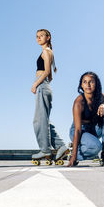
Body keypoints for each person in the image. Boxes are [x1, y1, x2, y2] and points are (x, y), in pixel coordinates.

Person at [67, 71, 104, 167]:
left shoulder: (100, 96)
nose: (88, 85)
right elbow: (77, 130)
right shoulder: (78, 102)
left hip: (94, 128)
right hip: (80, 130)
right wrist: (74, 157)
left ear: (96, 84)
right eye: (85, 82)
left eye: (91, 82)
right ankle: (74, 153)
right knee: (95, 147)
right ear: (81, 85)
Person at [31, 29, 68, 161]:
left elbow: (47, 72)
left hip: (42, 85)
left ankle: (45, 150)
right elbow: (51, 76)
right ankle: (61, 146)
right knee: (44, 120)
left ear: (48, 37)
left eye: (41, 36)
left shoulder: (46, 52)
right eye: (37, 36)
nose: (38, 38)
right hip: (45, 86)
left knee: (39, 121)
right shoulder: (49, 52)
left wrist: (36, 84)